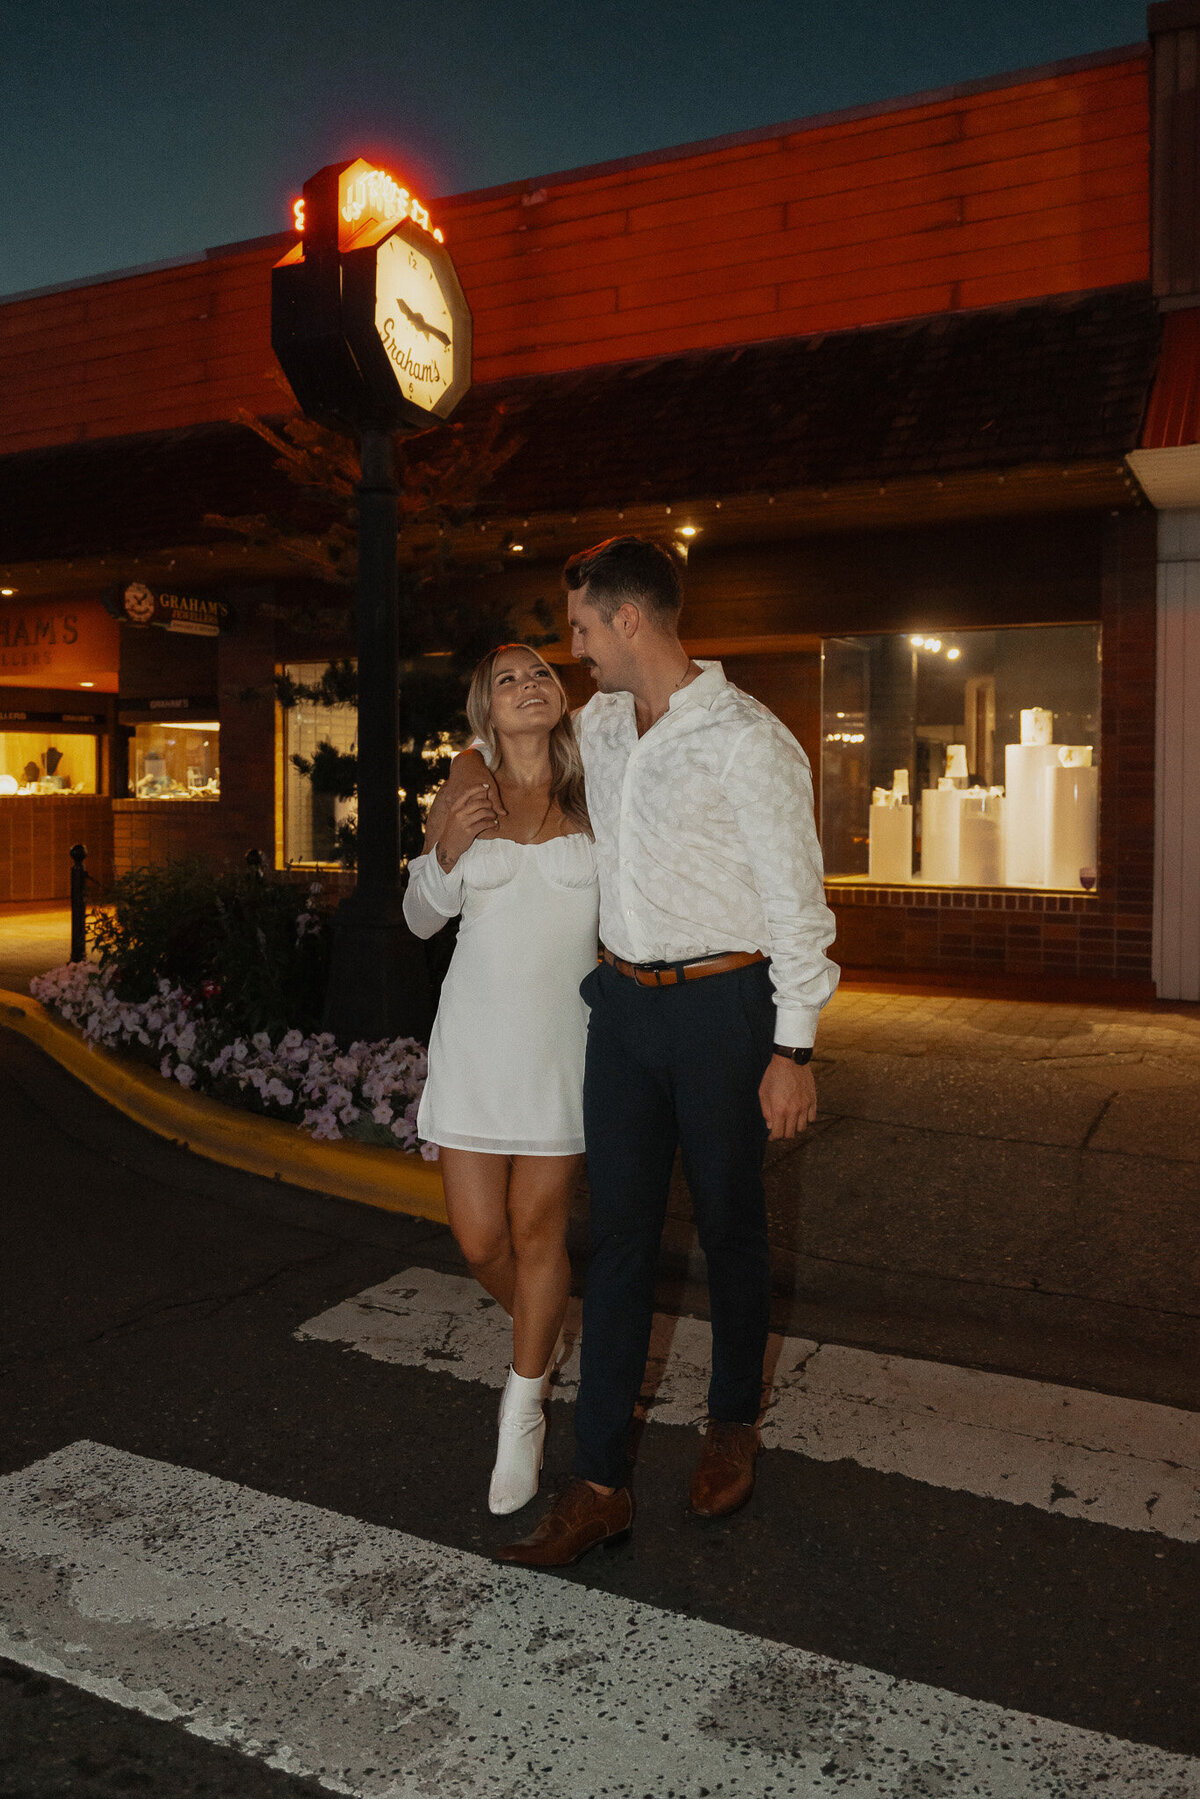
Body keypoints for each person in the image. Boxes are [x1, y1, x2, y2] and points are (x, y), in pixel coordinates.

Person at [450, 536, 839, 1568]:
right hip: (621, 1009)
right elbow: (503, 740)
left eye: (580, 628)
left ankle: (730, 1420)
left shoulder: (750, 740)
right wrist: (457, 769)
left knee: (729, 1224)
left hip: (723, 1008)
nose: (572, 650)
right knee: (618, 1241)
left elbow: (800, 906)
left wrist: (792, 1045)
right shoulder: (605, 724)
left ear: (628, 620)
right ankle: (601, 1480)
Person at [402, 643, 598, 1516]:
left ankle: (523, 1408)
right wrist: (445, 845)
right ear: (486, 710)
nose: (529, 686)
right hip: (476, 1044)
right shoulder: (465, 791)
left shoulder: (600, 790)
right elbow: (417, 920)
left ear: (561, 699)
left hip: (566, 1048)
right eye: (508, 679)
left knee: (537, 1226)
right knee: (481, 1241)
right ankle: (545, 1331)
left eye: (541, 675)